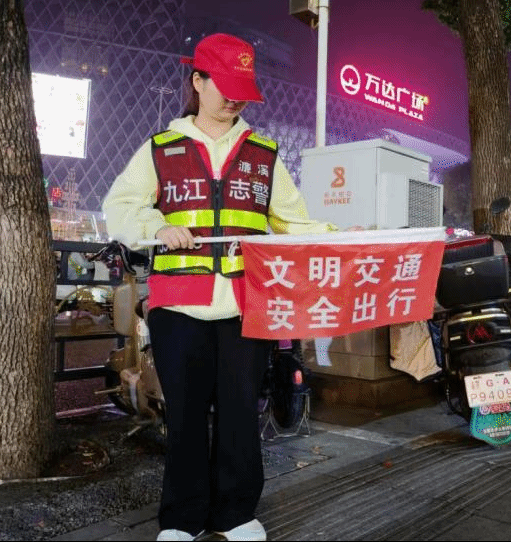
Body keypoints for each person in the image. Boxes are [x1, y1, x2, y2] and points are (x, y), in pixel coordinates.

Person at [102, 33, 337, 542]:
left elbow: (295, 224)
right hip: (177, 306)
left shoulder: (264, 155)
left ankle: (235, 514)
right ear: (198, 81)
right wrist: (156, 225)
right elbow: (120, 207)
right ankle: (182, 519)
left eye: (242, 91)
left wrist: (346, 236)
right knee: (184, 417)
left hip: (245, 306)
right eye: (224, 87)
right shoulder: (161, 149)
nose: (234, 100)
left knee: (239, 413)